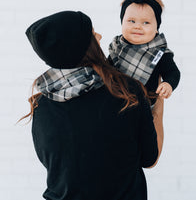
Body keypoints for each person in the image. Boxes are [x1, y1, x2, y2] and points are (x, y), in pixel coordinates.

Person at [20, 11, 164, 200]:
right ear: (81, 47)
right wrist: (158, 102)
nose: (100, 37)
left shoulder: (40, 105)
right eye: (93, 34)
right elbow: (150, 158)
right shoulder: (126, 92)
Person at [109, 0, 180, 100]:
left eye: (146, 22)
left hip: (145, 105)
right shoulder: (117, 47)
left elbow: (172, 72)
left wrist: (168, 84)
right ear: (122, 22)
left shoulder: (159, 52)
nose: (137, 26)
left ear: (156, 28)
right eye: (131, 21)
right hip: (115, 101)